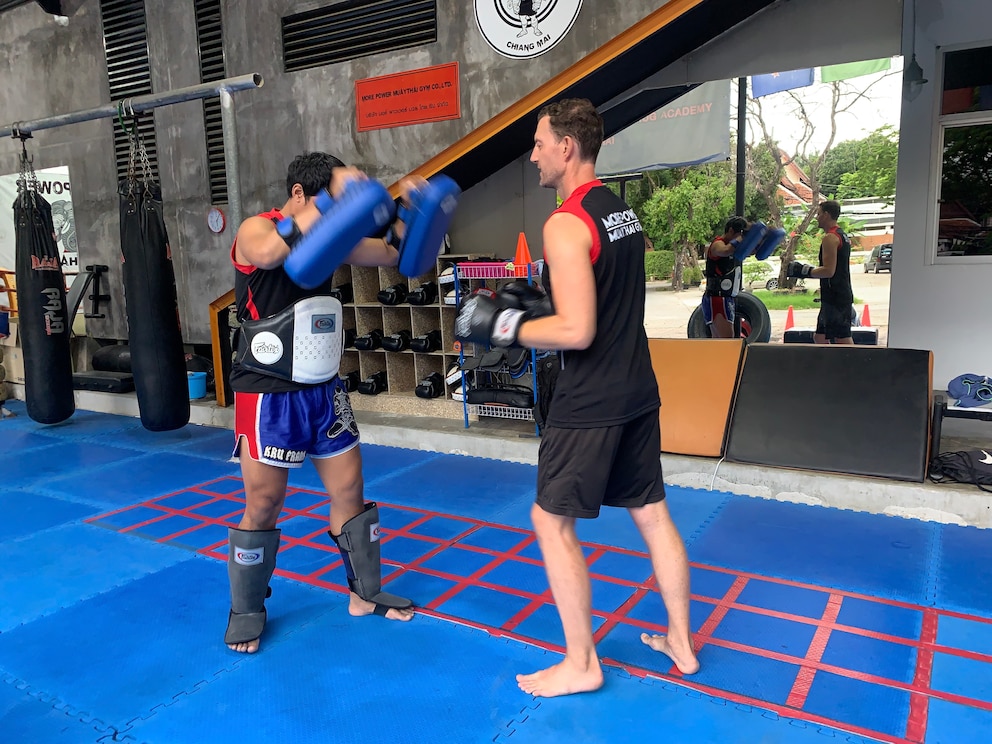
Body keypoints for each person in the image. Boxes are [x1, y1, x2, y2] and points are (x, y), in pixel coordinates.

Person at [454, 98, 699, 697]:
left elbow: (578, 330)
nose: (533, 154)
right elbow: (605, 300)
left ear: (567, 147)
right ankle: (682, 644)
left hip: (589, 399)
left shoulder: (564, 222)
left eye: (539, 142)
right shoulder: (622, 214)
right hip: (638, 386)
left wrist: (500, 326)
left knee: (549, 519)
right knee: (651, 510)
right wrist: (541, 301)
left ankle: (582, 663)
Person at [226, 152, 419, 654]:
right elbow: (268, 253)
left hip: (323, 388)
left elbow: (390, 255)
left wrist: (408, 214)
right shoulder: (255, 228)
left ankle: (364, 593)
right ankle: (247, 608)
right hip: (268, 392)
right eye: (330, 195)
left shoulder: (335, 240)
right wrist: (333, 201)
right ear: (299, 195)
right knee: (264, 502)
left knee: (351, 488)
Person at [787, 200, 854, 345]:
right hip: (834, 295)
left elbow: (828, 271)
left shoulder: (830, 238)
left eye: (818, 214)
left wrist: (803, 271)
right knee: (820, 338)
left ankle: (854, 367)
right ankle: (829, 366)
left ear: (826, 215)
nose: (816, 217)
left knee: (842, 338)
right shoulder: (842, 235)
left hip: (836, 297)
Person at [701, 216, 748, 338]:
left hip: (725, 297)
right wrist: (742, 237)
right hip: (717, 297)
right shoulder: (718, 244)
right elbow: (724, 251)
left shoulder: (734, 247)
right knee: (725, 340)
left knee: (722, 340)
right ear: (731, 231)